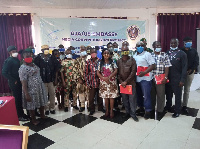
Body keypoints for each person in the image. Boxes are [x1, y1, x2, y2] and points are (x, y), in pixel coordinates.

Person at [19, 48, 48, 125]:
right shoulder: (22, 68)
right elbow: (23, 82)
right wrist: (26, 94)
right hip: (30, 89)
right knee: (31, 104)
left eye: (30, 56)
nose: (29, 58)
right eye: (26, 56)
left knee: (42, 101)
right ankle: (33, 119)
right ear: (23, 58)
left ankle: (42, 115)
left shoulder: (34, 64)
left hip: (39, 88)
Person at [2, 46, 29, 121]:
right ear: (9, 52)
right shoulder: (9, 60)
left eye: (15, 51)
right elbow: (4, 72)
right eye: (13, 51)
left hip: (19, 81)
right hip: (14, 83)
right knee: (17, 99)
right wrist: (13, 80)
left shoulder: (16, 59)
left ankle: (22, 113)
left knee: (20, 99)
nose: (15, 52)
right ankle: (19, 116)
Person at [34, 45, 61, 115]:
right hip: (42, 80)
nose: (46, 50)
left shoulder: (52, 57)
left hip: (51, 80)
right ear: (42, 50)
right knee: (44, 95)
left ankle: (52, 108)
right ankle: (45, 108)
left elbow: (57, 68)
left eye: (47, 49)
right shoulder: (38, 58)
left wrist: (55, 79)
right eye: (45, 49)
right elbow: (35, 69)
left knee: (52, 94)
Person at [165, 38, 187, 118]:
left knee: (177, 96)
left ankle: (177, 111)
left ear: (178, 44)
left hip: (177, 78)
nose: (173, 44)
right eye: (172, 43)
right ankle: (168, 107)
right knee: (168, 94)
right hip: (168, 78)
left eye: (175, 43)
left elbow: (185, 67)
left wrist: (182, 80)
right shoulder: (167, 52)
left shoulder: (182, 54)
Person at [133, 41, 155, 119]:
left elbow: (153, 65)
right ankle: (141, 108)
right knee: (139, 95)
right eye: (138, 46)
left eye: (141, 46)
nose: (140, 47)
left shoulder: (147, 54)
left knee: (146, 95)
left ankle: (148, 110)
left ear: (144, 47)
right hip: (137, 78)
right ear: (136, 47)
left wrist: (145, 72)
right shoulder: (134, 55)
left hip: (145, 78)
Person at [117, 45, 138, 121]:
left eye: (126, 50)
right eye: (123, 50)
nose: (124, 52)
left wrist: (126, 81)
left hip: (131, 83)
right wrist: (121, 82)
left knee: (132, 100)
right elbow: (117, 73)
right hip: (122, 84)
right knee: (125, 99)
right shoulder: (119, 61)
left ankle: (133, 114)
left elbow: (133, 72)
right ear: (121, 51)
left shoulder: (132, 60)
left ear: (128, 51)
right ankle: (127, 112)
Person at [151, 41, 172, 118]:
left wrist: (166, 77)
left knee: (161, 95)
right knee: (152, 95)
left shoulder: (164, 55)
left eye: (159, 45)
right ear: (153, 47)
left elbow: (167, 66)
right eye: (157, 45)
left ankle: (160, 110)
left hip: (161, 78)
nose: (158, 47)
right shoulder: (150, 55)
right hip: (151, 78)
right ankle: (152, 109)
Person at [97, 49, 119, 118]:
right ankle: (107, 110)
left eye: (107, 53)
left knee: (112, 97)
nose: (106, 54)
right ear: (102, 54)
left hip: (111, 82)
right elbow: (97, 72)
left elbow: (116, 70)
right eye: (105, 53)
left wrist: (109, 77)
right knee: (106, 97)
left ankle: (111, 110)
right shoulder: (100, 62)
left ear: (110, 54)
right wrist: (103, 78)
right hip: (103, 82)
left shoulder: (113, 62)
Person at [181, 37, 199, 114]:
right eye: (187, 41)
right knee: (178, 90)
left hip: (190, 73)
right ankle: (178, 104)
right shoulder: (180, 51)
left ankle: (184, 105)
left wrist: (191, 69)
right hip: (181, 73)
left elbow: (196, 62)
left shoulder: (194, 51)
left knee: (187, 90)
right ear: (184, 42)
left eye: (190, 41)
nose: (189, 43)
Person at [85, 48, 104, 115]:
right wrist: (87, 83)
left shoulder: (100, 61)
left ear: (96, 53)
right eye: (92, 53)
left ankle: (100, 108)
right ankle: (91, 109)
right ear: (90, 54)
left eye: (94, 52)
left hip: (99, 82)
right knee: (91, 97)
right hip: (91, 82)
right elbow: (86, 73)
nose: (93, 54)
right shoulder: (88, 62)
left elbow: (102, 72)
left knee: (100, 96)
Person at [73, 45, 89, 112]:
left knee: (88, 93)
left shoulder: (89, 59)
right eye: (81, 50)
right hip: (80, 80)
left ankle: (89, 105)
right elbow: (75, 70)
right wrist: (79, 78)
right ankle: (82, 106)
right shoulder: (77, 60)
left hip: (88, 80)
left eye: (84, 50)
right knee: (81, 93)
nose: (82, 51)